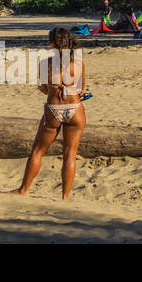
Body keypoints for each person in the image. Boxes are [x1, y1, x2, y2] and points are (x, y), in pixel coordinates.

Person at [11, 28, 86, 200]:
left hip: (54, 108)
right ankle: (66, 196)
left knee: (38, 150)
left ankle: (23, 190)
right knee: (70, 153)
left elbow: (46, 89)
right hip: (75, 108)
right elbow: (80, 89)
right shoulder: (79, 63)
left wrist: (47, 88)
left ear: (52, 43)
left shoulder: (46, 63)